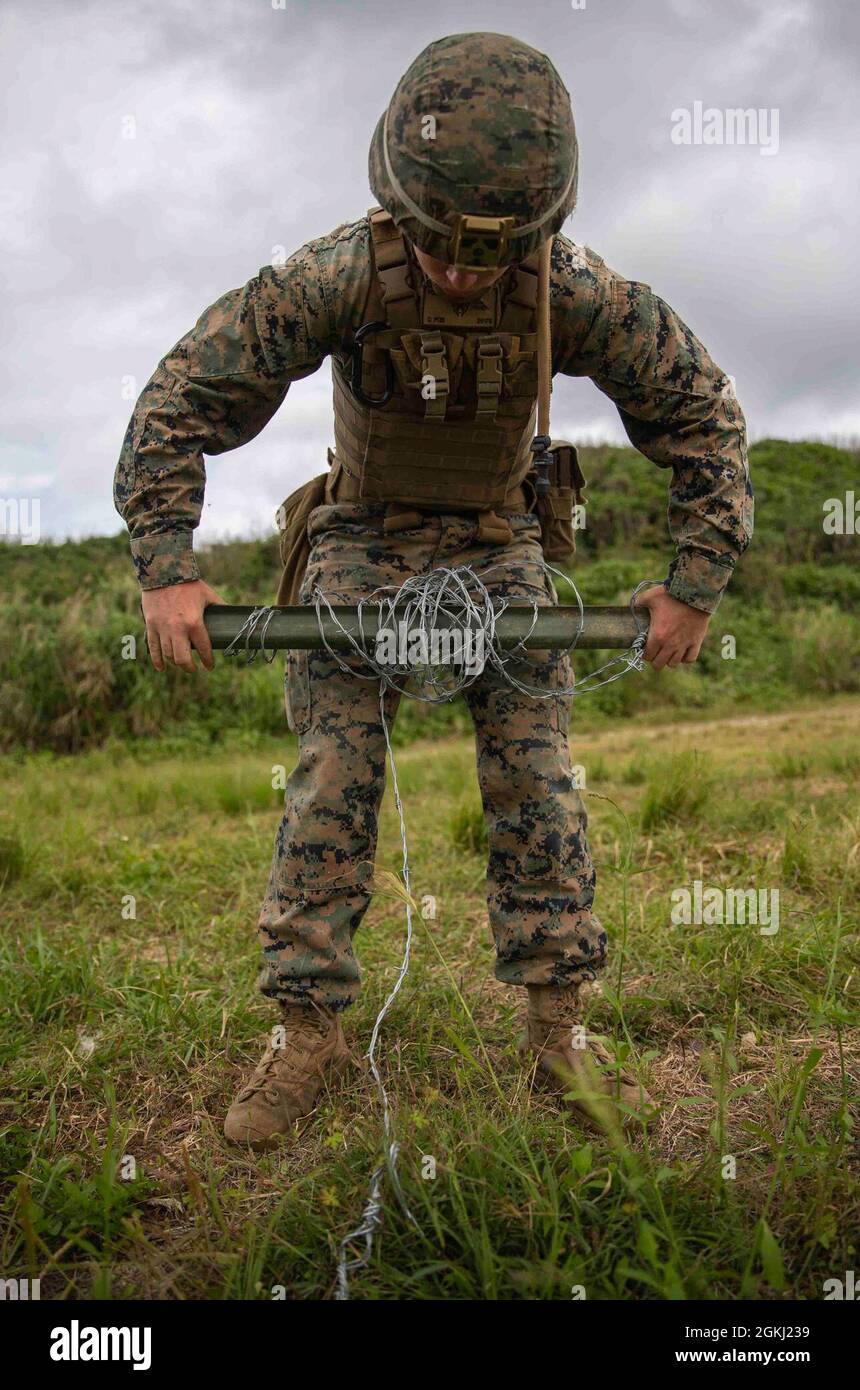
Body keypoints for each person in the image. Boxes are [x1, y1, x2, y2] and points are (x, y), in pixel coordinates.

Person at [114, 31, 753, 1150]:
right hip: (359, 539)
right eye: (441, 250)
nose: (461, 275)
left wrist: (692, 580)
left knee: (539, 780)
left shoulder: (573, 291)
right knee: (329, 779)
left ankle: (559, 1034)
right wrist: (167, 566)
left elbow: (701, 412)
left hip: (503, 542)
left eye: (488, 258)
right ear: (400, 208)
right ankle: (304, 1032)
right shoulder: (335, 275)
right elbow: (179, 399)